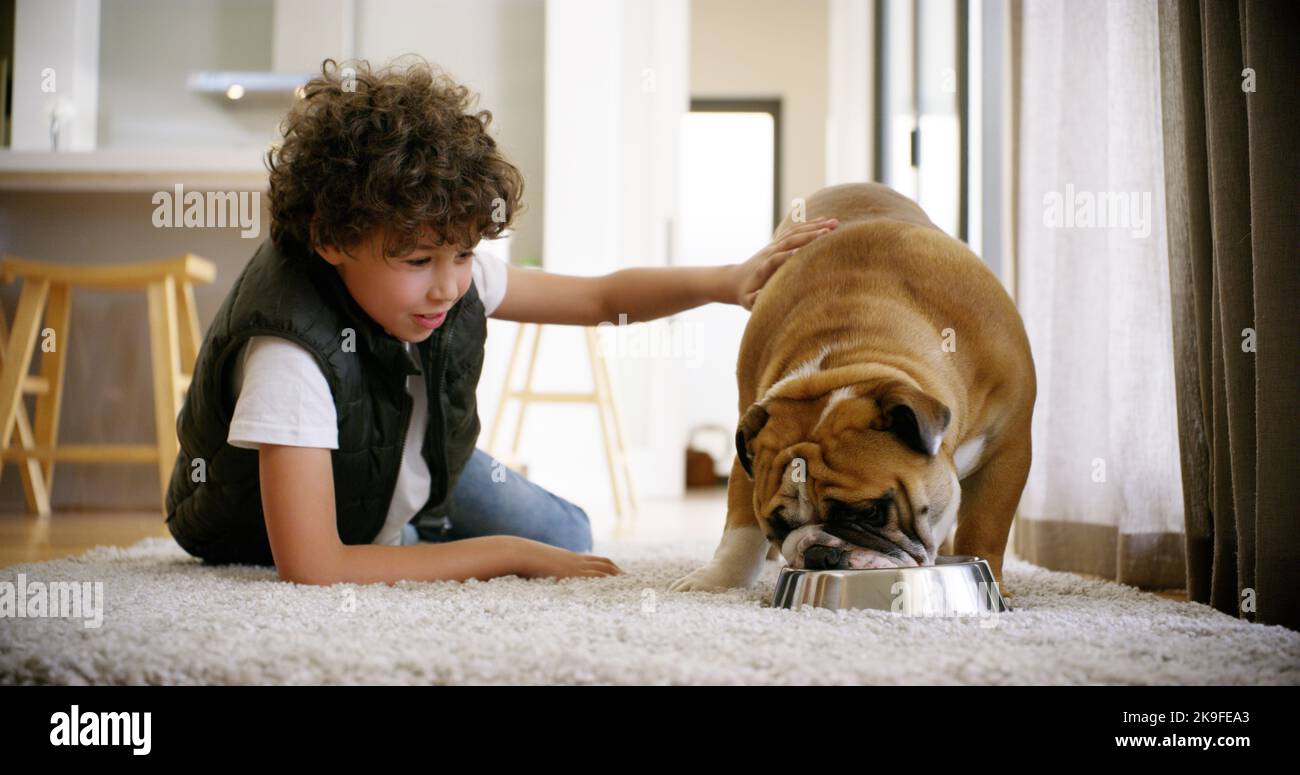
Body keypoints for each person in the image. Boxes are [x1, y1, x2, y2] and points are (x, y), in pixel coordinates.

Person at [164, 55, 838, 586]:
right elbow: (314, 567)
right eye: (421, 259)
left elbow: (601, 300)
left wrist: (727, 280)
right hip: (268, 525)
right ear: (330, 239)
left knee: (568, 537)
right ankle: (414, 542)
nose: (449, 284)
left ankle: (413, 533)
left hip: (406, 466)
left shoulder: (446, 275)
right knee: (525, 550)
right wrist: (505, 554)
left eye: (463, 253)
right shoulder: (290, 353)